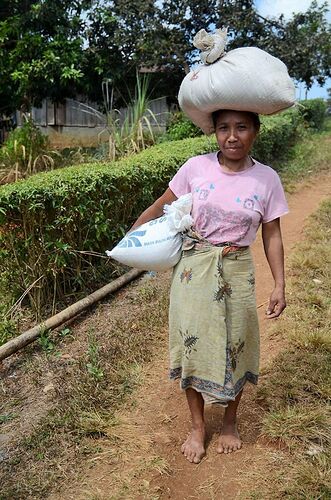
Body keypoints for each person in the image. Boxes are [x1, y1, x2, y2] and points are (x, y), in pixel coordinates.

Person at [130, 109, 288, 464]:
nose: (232, 136)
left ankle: (230, 422)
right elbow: (160, 206)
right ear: (214, 133)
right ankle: (198, 426)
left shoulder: (267, 179)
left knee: (238, 343)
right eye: (223, 128)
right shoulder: (195, 168)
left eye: (241, 127)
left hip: (237, 269)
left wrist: (279, 283)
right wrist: (129, 241)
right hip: (194, 268)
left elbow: (272, 233)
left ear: (256, 132)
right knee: (192, 342)